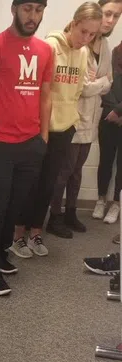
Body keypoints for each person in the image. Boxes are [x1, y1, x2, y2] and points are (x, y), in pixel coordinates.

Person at [0, 0, 53, 296]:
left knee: (14, 207)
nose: (32, 16)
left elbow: (46, 94)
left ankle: (1, 254)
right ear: (14, 9)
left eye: (38, 10)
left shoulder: (46, 50)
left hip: (31, 144)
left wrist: (43, 136)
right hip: (1, 145)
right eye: (27, 8)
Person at [14, 2, 102, 248]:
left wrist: (73, 121)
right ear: (73, 24)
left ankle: (35, 232)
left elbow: (77, 91)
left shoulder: (84, 53)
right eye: (83, 31)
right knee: (30, 183)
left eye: (92, 34)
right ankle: (18, 235)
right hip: (40, 128)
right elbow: (37, 91)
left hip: (65, 129)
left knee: (49, 184)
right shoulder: (49, 46)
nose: (86, 38)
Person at [50, 0, 121, 234]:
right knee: (64, 170)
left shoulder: (105, 44)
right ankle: (55, 216)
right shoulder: (77, 44)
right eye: (108, 14)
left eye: (116, 16)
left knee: (77, 171)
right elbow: (85, 86)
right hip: (73, 115)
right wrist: (101, 82)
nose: (110, 20)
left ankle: (70, 212)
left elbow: (107, 82)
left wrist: (99, 82)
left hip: (93, 117)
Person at [93, 39, 122, 227]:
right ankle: (101, 199)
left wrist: (119, 111)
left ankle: (116, 204)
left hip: (118, 114)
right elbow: (104, 84)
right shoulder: (112, 55)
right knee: (105, 161)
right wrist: (113, 111)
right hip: (108, 118)